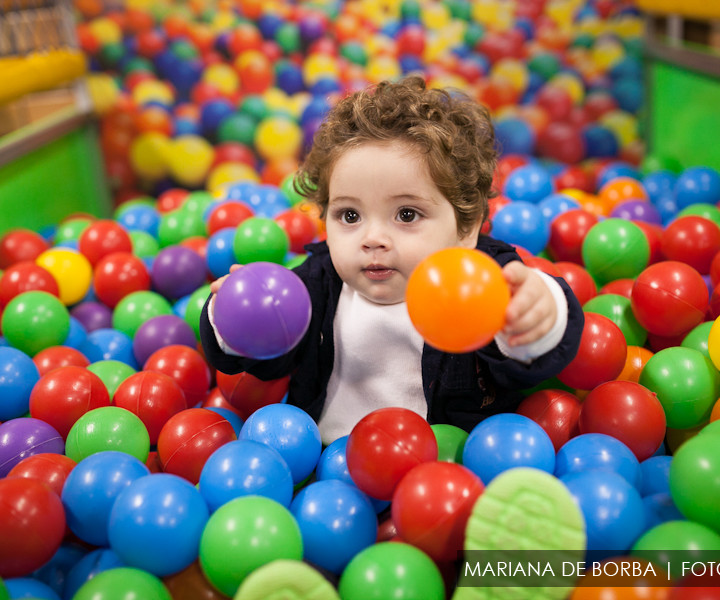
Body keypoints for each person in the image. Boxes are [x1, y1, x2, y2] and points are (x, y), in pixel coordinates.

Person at [200, 76, 584, 445]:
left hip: (446, 476)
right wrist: (232, 318)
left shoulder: (481, 281)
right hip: (323, 464)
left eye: (406, 215)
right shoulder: (318, 282)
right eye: (350, 216)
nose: (373, 239)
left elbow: (530, 359)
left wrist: (538, 314)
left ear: (465, 229)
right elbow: (268, 358)